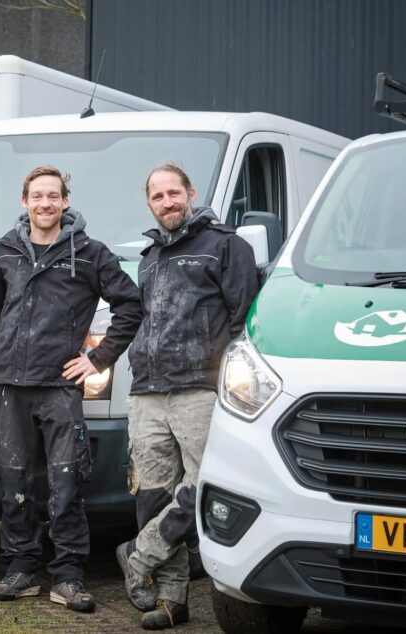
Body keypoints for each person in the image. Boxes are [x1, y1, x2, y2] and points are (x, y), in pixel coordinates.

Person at [0, 166, 142, 612]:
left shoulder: (90, 254)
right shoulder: (3, 252)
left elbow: (131, 304)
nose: (45, 203)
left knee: (67, 482)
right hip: (9, 386)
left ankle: (69, 576)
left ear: (65, 202)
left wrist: (97, 358)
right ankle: (20, 569)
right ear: (25, 201)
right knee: (13, 480)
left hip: (60, 386)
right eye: (37, 196)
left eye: (53, 196)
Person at [117, 163, 259, 629]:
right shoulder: (149, 257)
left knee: (200, 490)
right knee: (153, 496)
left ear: (191, 193)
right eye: (157, 196)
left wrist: (230, 383)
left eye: (174, 193)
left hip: (200, 388)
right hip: (147, 392)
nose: (167, 202)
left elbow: (244, 320)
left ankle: (139, 554)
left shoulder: (226, 246)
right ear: (149, 203)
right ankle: (171, 601)